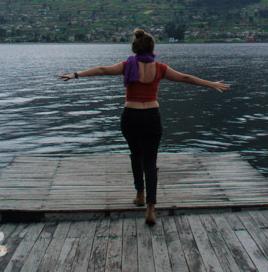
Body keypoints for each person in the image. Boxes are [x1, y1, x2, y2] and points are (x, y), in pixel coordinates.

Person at [57, 29, 230, 225]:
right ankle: (150, 209)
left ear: (134, 48)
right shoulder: (160, 68)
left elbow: (102, 70)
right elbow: (186, 78)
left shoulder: (127, 65)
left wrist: (75, 75)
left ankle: (139, 194)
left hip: (130, 117)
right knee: (150, 162)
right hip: (151, 118)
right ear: (152, 48)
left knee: (135, 156)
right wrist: (211, 84)